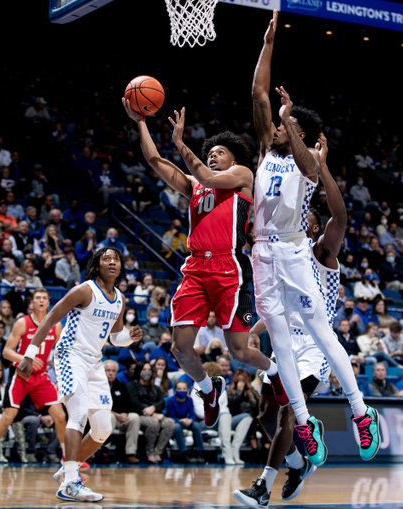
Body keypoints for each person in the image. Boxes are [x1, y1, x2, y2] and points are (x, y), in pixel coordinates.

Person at [248, 10, 379, 472]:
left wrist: (293, 122)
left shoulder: (308, 162)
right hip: (261, 254)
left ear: (298, 132)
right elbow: (259, 94)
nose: (278, 128)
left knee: (322, 334)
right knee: (280, 342)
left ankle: (363, 412)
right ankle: (303, 424)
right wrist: (268, 42)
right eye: (280, 126)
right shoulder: (267, 149)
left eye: (287, 126)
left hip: (292, 251)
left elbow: (308, 167)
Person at [123, 82, 275, 431]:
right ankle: (208, 388)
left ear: (233, 159)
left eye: (219, 152)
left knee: (238, 351)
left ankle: (276, 371)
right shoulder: (195, 185)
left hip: (229, 266)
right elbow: (153, 160)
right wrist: (140, 121)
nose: (212, 156)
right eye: (210, 152)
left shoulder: (242, 176)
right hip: (195, 268)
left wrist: (180, 143)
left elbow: (206, 173)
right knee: (180, 348)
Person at [16, 248, 142, 502]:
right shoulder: (84, 290)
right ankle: (71, 482)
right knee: (78, 414)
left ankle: (69, 467)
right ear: (96, 265)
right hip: (69, 355)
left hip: (95, 362)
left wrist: (129, 337)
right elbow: (51, 317)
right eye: (106, 258)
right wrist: (29, 355)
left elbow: (115, 337)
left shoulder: (119, 298)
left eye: (116, 259)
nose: (112, 262)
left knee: (103, 428)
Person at [0, 289, 67, 466]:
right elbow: (7, 352)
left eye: (44, 298)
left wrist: (61, 377)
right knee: (8, 417)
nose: (41, 301)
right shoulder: (22, 323)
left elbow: (61, 353)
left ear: (49, 302)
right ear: (31, 303)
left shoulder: (56, 326)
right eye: (37, 298)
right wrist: (27, 360)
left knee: (60, 416)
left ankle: (68, 459)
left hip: (40, 378)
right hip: (20, 375)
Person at [127, 361, 175, 463]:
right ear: (139, 371)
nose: (147, 372)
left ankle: (157, 452)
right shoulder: (132, 385)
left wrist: (153, 408)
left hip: (154, 414)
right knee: (154, 422)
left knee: (170, 423)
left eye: (149, 370)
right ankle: (149, 452)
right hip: (138, 416)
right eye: (144, 369)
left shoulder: (155, 388)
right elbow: (135, 403)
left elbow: (161, 401)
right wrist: (153, 414)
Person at [103, 360, 140, 464]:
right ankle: (103, 451)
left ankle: (131, 453)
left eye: (113, 371)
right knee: (109, 416)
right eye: (108, 370)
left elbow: (128, 404)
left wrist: (124, 414)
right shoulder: (97, 387)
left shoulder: (121, 386)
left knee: (135, 417)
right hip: (106, 417)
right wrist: (117, 415)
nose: (110, 373)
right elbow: (99, 407)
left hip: (120, 418)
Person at [166, 380, 205, 463]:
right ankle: (184, 453)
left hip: (186, 422)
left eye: (184, 389)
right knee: (176, 427)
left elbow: (192, 414)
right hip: (176, 422)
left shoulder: (189, 400)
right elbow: (171, 417)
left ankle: (200, 451)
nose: (181, 391)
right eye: (179, 389)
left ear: (188, 391)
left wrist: (190, 420)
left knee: (196, 425)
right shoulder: (170, 401)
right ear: (175, 391)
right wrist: (180, 420)